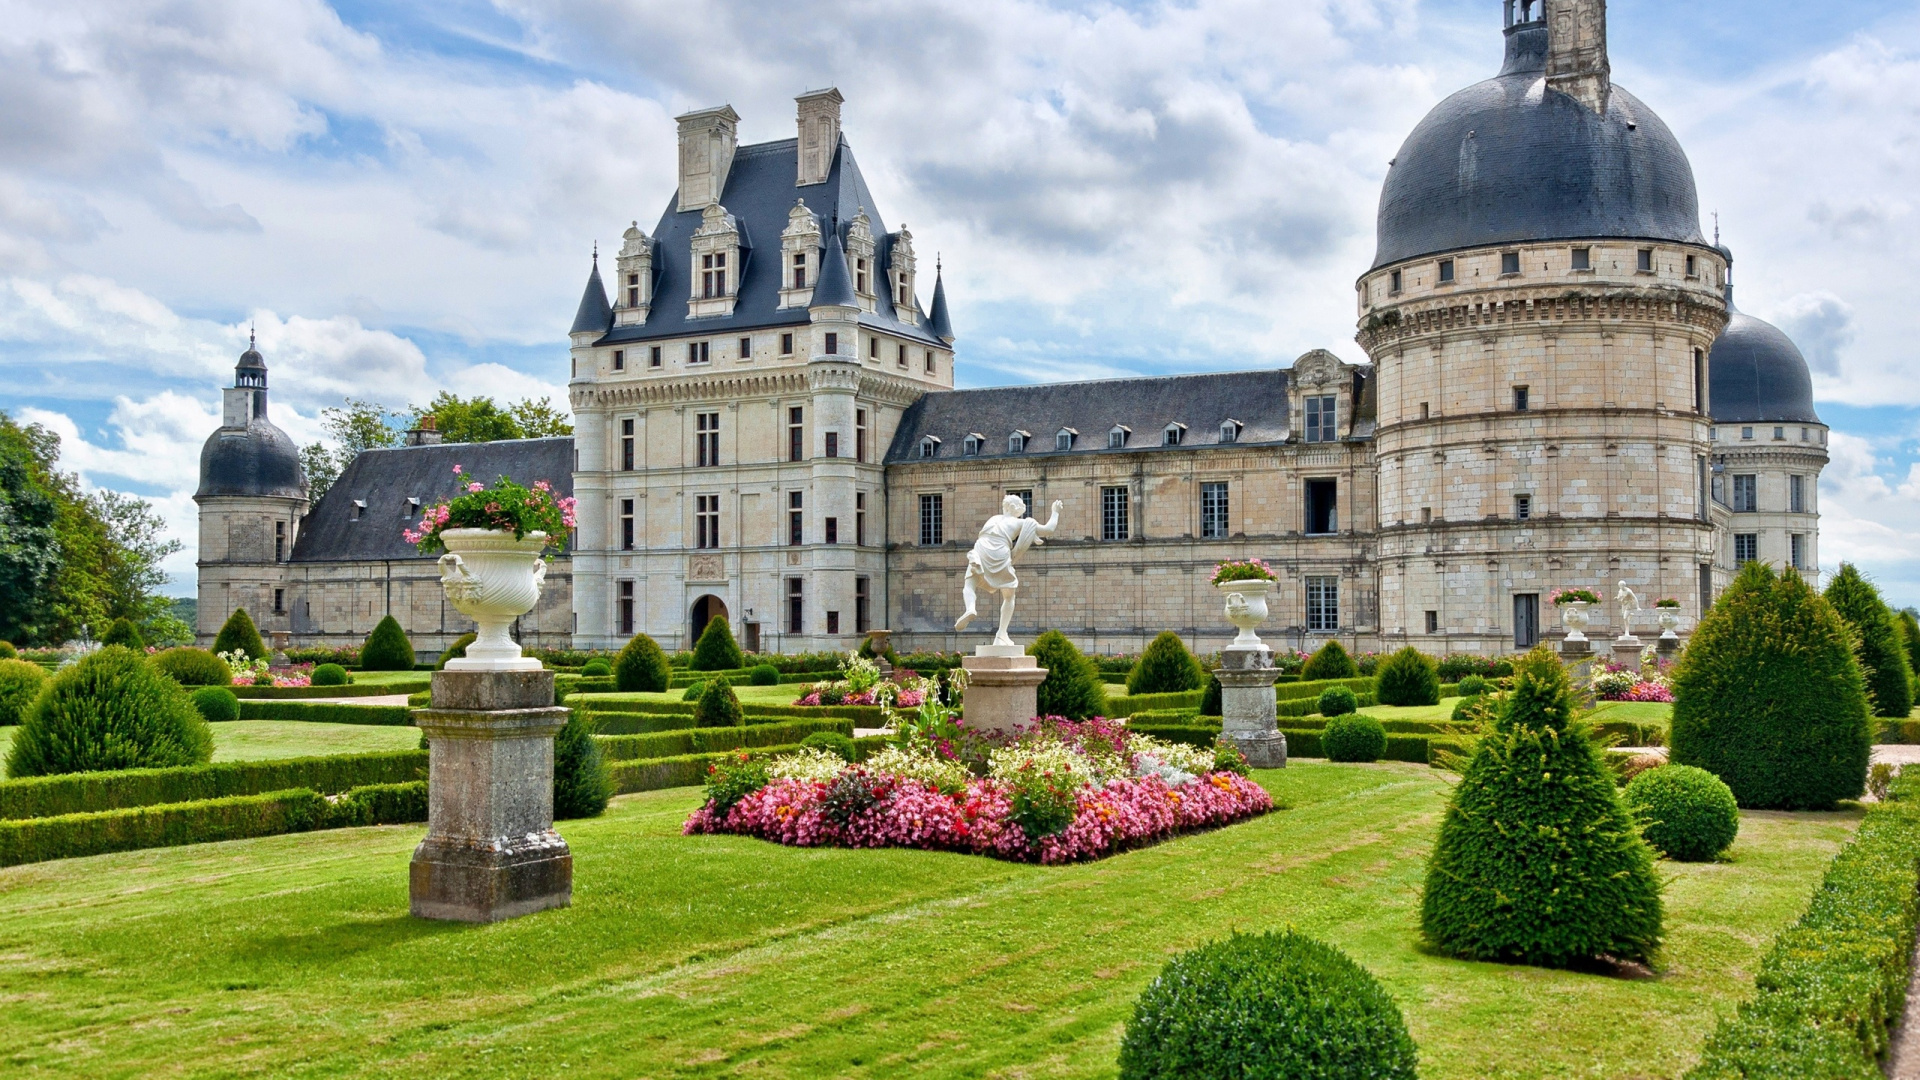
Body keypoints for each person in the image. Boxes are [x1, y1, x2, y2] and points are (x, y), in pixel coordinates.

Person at [955, 494, 1063, 647]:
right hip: (1000, 551)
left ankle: (970, 608)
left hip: (981, 548)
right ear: (1017, 509)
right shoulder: (1020, 522)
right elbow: (1048, 529)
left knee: (969, 584)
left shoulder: (993, 519)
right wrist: (1055, 511)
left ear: (1005, 507)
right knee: (1009, 596)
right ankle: (1001, 633)